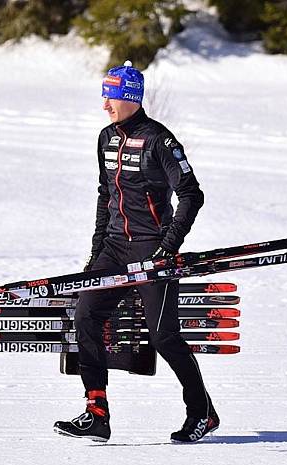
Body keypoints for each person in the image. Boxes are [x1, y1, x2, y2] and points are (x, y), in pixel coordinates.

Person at [53, 61, 219, 443]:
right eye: (104, 97)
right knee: (87, 315)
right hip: (114, 247)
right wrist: (96, 254)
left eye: (110, 97)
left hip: (152, 249)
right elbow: (105, 196)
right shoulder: (105, 139)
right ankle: (97, 412)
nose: (105, 106)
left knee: (163, 337)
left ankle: (203, 412)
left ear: (129, 98)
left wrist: (167, 247)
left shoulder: (160, 140)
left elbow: (192, 195)